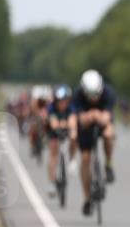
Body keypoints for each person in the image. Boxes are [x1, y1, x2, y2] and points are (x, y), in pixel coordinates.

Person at [72, 69, 117, 216]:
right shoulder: (77, 95)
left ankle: (108, 163)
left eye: (96, 94)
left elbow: (106, 118)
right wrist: (93, 115)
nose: (93, 99)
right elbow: (81, 120)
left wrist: (94, 115)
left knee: (109, 134)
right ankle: (87, 198)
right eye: (90, 95)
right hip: (85, 126)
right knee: (85, 158)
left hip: (102, 121)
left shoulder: (108, 93)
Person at [46, 85, 76, 189]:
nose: (63, 103)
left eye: (65, 101)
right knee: (53, 154)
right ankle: (51, 181)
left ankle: (72, 160)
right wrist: (59, 125)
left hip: (66, 127)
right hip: (54, 131)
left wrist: (71, 129)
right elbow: (53, 122)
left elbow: (72, 120)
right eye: (60, 101)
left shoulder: (71, 107)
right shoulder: (51, 107)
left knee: (74, 136)